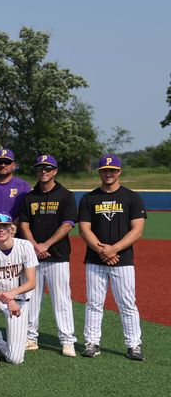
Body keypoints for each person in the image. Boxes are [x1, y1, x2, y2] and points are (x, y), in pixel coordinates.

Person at [78, 154, 147, 361]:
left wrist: (113, 249)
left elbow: (137, 230)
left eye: (113, 170)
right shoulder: (89, 198)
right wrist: (102, 250)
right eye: (105, 170)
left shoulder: (132, 197)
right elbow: (84, 230)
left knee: (127, 303)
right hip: (95, 259)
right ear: (100, 172)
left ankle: (134, 345)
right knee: (93, 303)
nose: (109, 174)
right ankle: (91, 342)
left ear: (119, 172)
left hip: (122, 260)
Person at [18, 154, 78, 356]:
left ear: (55, 171)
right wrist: (35, 246)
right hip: (33, 256)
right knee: (31, 298)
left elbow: (68, 224)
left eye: (48, 168)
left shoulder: (66, 195)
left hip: (57, 255)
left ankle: (67, 340)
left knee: (61, 299)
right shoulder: (30, 196)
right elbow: (24, 225)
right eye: (40, 168)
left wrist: (46, 244)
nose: (43, 171)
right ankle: (30, 337)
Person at [0, 213, 38, 371]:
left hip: (20, 301)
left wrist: (12, 296)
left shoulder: (25, 246)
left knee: (15, 358)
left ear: (12, 229)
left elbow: (31, 282)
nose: (1, 230)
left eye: (4, 227)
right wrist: (7, 298)